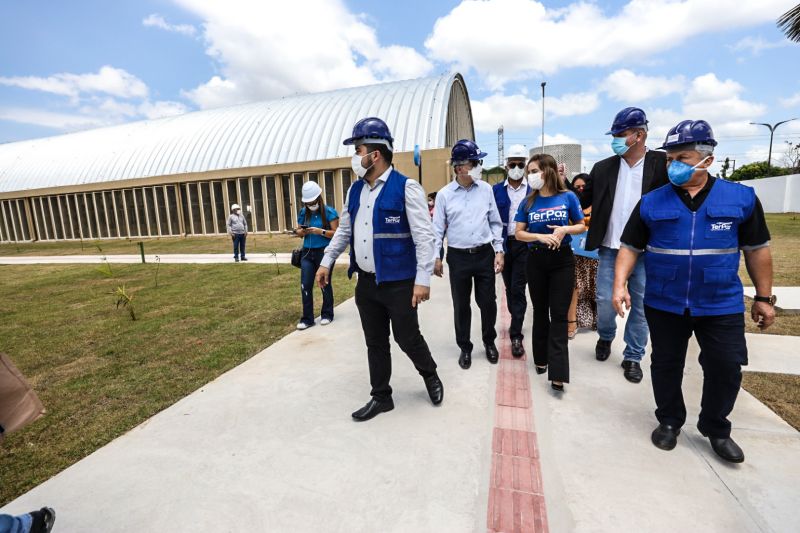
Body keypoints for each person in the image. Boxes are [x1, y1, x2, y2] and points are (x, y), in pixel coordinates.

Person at [613, 119, 774, 463]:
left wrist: (763, 297)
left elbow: (757, 249)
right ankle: (669, 421)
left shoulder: (740, 198)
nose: (674, 165)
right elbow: (629, 246)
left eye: (682, 158)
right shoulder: (652, 202)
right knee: (665, 364)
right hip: (665, 301)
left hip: (720, 303)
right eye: (670, 158)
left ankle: (716, 427)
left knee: (725, 366)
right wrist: (620, 283)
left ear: (707, 159)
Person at [315, 117, 442, 421]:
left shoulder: (406, 187)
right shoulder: (354, 191)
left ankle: (430, 375)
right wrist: (326, 261)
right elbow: (344, 231)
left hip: (399, 283)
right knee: (375, 342)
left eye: (358, 149)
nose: (355, 157)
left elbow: (425, 237)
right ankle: (381, 396)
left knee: (407, 337)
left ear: (375, 153)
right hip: (367, 284)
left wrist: (422, 280)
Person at [580, 107, 669, 383]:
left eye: (620, 134)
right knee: (606, 301)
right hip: (610, 247)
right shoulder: (603, 167)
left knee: (641, 305)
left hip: (646, 250)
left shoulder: (661, 165)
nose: (615, 139)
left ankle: (633, 355)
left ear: (639, 135)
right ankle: (606, 336)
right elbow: (582, 201)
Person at [513, 154, 585, 391]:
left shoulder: (568, 196)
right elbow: (519, 233)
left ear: (548, 171)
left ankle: (558, 372)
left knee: (559, 314)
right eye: (529, 172)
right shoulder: (528, 202)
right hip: (535, 259)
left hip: (562, 260)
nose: (530, 175)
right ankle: (541, 358)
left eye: (534, 170)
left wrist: (564, 229)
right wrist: (539, 236)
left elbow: (581, 224)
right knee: (540, 311)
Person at [432, 139, 504, 369]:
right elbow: (437, 229)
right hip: (458, 256)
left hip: (484, 254)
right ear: (459, 167)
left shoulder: (486, 190)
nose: (478, 166)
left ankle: (489, 341)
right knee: (461, 305)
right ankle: (465, 347)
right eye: (474, 162)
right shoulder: (444, 195)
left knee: (488, 302)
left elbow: (495, 222)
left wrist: (499, 250)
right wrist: (436, 256)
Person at [492, 144, 531, 357]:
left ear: (525, 165)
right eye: (512, 163)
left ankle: (516, 334)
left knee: (518, 288)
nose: (516, 167)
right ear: (506, 165)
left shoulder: (533, 189)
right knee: (509, 288)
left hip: (525, 244)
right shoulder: (496, 190)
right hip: (504, 245)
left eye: (520, 164)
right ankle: (517, 319)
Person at [294, 181, 339, 330]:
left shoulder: (330, 212)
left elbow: (337, 234)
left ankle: (327, 314)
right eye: (307, 203)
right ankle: (307, 319)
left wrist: (321, 231)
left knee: (324, 283)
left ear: (319, 198)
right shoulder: (303, 212)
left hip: (324, 253)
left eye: (312, 202)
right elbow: (299, 231)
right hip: (307, 252)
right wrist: (301, 232)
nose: (310, 205)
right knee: (305, 285)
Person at [567, 174, 598, 337]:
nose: (580, 190)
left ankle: (597, 319)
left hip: (595, 255)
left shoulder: (599, 204)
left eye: (583, 187)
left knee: (596, 289)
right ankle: (571, 322)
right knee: (575, 288)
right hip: (575, 255)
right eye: (576, 186)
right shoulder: (570, 204)